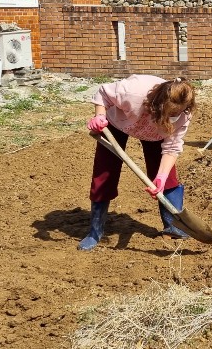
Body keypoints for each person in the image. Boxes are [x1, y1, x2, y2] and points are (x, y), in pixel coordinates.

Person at [81, 75, 196, 251]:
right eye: (170, 113)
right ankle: (94, 232)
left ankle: (174, 226)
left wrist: (161, 177)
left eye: (177, 113)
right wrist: (100, 116)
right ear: (158, 105)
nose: (175, 116)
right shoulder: (132, 92)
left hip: (156, 132)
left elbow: (172, 147)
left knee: (168, 177)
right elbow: (103, 92)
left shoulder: (183, 115)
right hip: (116, 123)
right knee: (105, 172)